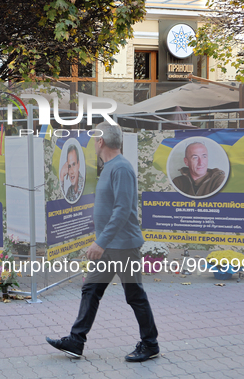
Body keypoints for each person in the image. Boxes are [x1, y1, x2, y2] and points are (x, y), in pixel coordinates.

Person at [46, 122, 160, 362]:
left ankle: (150, 344)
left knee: (134, 295)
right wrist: (102, 242)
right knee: (91, 290)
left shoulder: (121, 169)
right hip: (109, 246)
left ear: (101, 141)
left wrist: (100, 242)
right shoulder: (109, 167)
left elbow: (122, 210)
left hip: (123, 246)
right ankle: (76, 341)